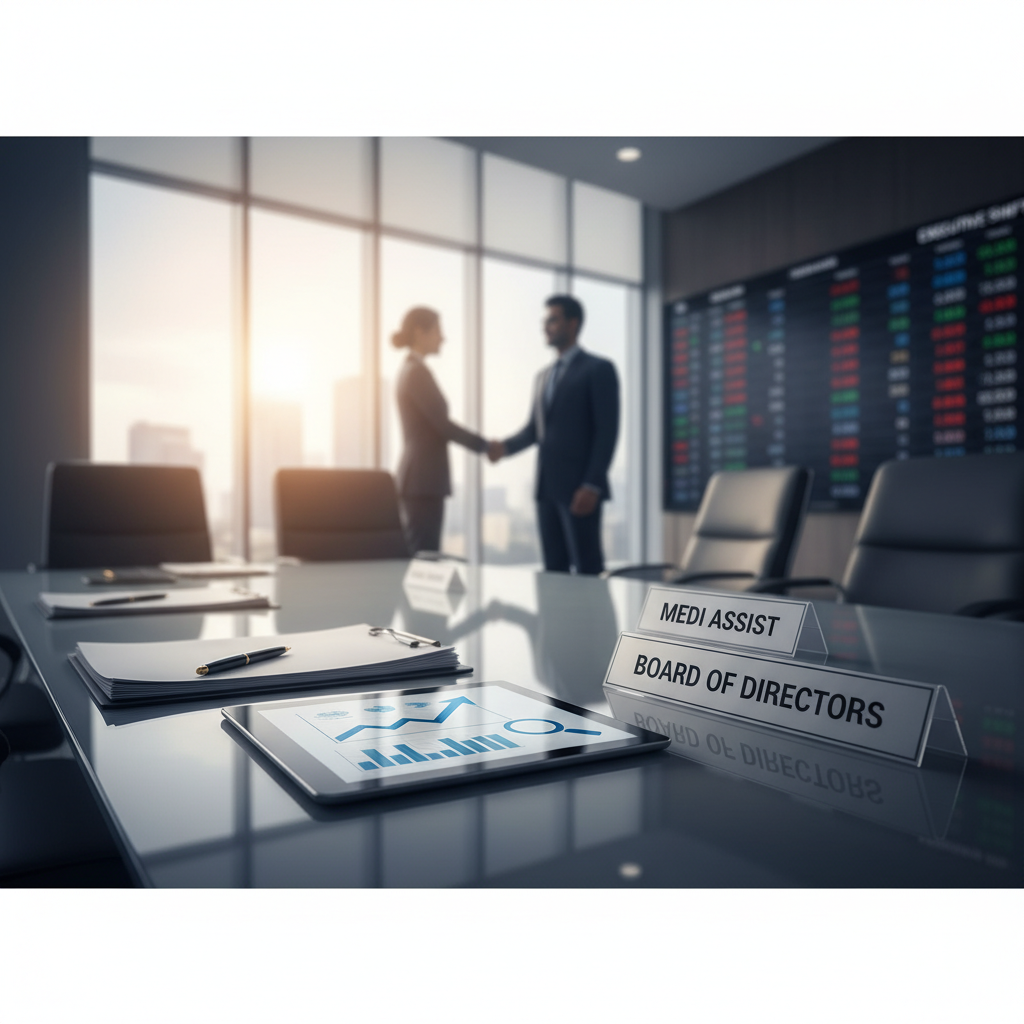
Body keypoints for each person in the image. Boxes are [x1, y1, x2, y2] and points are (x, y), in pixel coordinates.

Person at [489, 295, 619, 575]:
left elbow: (607, 432)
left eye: (552, 320)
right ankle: (558, 622)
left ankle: (596, 622)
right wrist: (503, 448)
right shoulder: (543, 376)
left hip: (579, 489)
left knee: (588, 569)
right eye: (544, 321)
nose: (545, 327)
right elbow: (534, 430)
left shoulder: (598, 369)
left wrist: (592, 485)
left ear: (573, 323)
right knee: (554, 570)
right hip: (546, 488)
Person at [392, 306, 488, 554]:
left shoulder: (411, 369)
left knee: (422, 553)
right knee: (424, 556)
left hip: (421, 480)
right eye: (438, 331)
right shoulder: (416, 372)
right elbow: (442, 425)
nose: (443, 338)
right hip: (423, 480)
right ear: (419, 332)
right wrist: (485, 446)